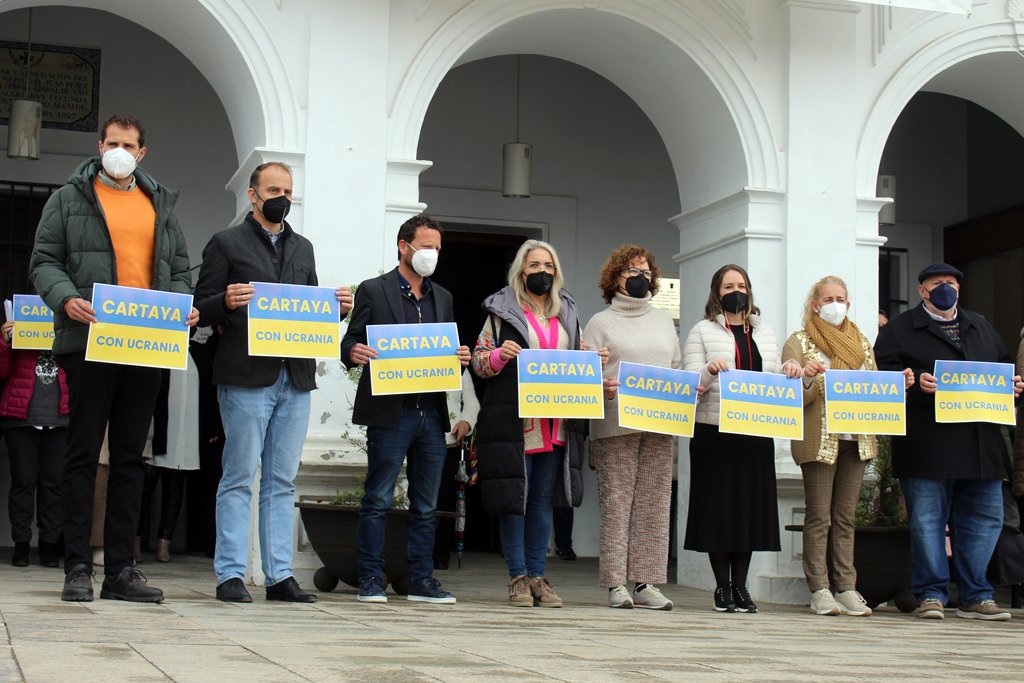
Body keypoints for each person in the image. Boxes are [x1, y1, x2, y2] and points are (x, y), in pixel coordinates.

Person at [29, 114, 198, 603]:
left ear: (142, 153)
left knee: (131, 459)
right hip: (89, 343)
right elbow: (44, 261)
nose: (120, 150)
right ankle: (77, 566)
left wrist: (183, 306)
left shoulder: (160, 204)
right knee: (82, 455)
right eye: (112, 142)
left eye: (129, 144)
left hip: (146, 345)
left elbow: (181, 269)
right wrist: (65, 299)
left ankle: (121, 571)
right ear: (100, 146)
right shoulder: (67, 199)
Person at [194, 161, 352, 603]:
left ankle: (279, 575)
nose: (281, 196)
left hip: (295, 378)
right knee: (240, 475)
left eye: (287, 189)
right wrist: (223, 301)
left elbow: (313, 309)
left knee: (282, 481)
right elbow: (200, 308)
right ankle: (230, 573)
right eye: (273, 189)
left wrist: (337, 308)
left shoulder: (303, 248)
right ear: (253, 195)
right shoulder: (226, 243)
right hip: (245, 377)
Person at [875, 262, 1023, 622]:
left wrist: (1014, 387)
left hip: (980, 446)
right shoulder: (899, 330)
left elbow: (1003, 366)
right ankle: (932, 594)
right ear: (922, 290)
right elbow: (882, 377)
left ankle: (977, 595)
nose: (947, 289)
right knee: (927, 522)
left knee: (984, 521)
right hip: (928, 444)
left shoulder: (980, 325)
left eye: (953, 283)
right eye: (938, 283)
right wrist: (911, 383)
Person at [342, 214, 470, 605]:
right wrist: (352, 351)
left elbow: (445, 349)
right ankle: (369, 578)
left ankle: (421, 580)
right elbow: (351, 339)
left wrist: (459, 357)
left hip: (430, 412)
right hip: (390, 411)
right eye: (426, 246)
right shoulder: (373, 290)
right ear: (404, 246)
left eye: (437, 248)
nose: (432, 254)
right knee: (378, 497)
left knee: (427, 503)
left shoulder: (443, 297)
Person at [782, 276, 914, 617]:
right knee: (818, 517)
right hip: (819, 440)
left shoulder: (862, 343)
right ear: (815, 304)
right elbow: (794, 398)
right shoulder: (800, 342)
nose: (835, 303)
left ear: (849, 304)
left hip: (856, 438)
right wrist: (808, 378)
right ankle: (820, 588)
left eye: (840, 298)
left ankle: (847, 587)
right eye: (828, 298)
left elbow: (873, 389)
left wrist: (898, 386)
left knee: (845, 518)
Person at [471, 239, 593, 608]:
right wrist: (497, 356)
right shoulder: (501, 312)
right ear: (521, 270)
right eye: (535, 265)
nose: (542, 272)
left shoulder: (567, 313)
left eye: (549, 266)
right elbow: (477, 360)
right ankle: (518, 577)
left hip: (555, 422)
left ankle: (539, 576)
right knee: (515, 501)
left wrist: (589, 360)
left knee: (542, 502)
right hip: (515, 422)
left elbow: (579, 358)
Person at [682, 264, 802, 613]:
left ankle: (741, 586)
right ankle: (722, 588)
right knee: (720, 510)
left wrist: (792, 371)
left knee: (748, 510)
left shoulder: (764, 333)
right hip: (715, 433)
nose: (737, 291)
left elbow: (775, 375)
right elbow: (690, 382)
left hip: (754, 432)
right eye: (728, 285)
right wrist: (709, 369)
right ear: (716, 293)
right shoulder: (701, 331)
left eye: (742, 285)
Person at [583, 244, 679, 610]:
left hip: (659, 424)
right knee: (617, 503)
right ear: (615, 278)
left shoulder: (663, 321)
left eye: (646, 272)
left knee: (654, 504)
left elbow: (674, 365)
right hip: (615, 423)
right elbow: (585, 376)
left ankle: (646, 582)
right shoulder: (599, 322)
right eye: (632, 271)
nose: (641, 277)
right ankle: (615, 583)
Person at [0, 318, 68, 567]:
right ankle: (21, 545)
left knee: (54, 485)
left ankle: (49, 545)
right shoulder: (19, 323)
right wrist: (4, 342)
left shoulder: (70, 325)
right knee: (23, 483)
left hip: (60, 419)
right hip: (20, 418)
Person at [433, 369, 480, 570]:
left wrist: (466, 422)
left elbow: (472, 403)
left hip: (449, 442)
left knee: (444, 501)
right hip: (416, 442)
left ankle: (440, 555)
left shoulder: (458, 364)